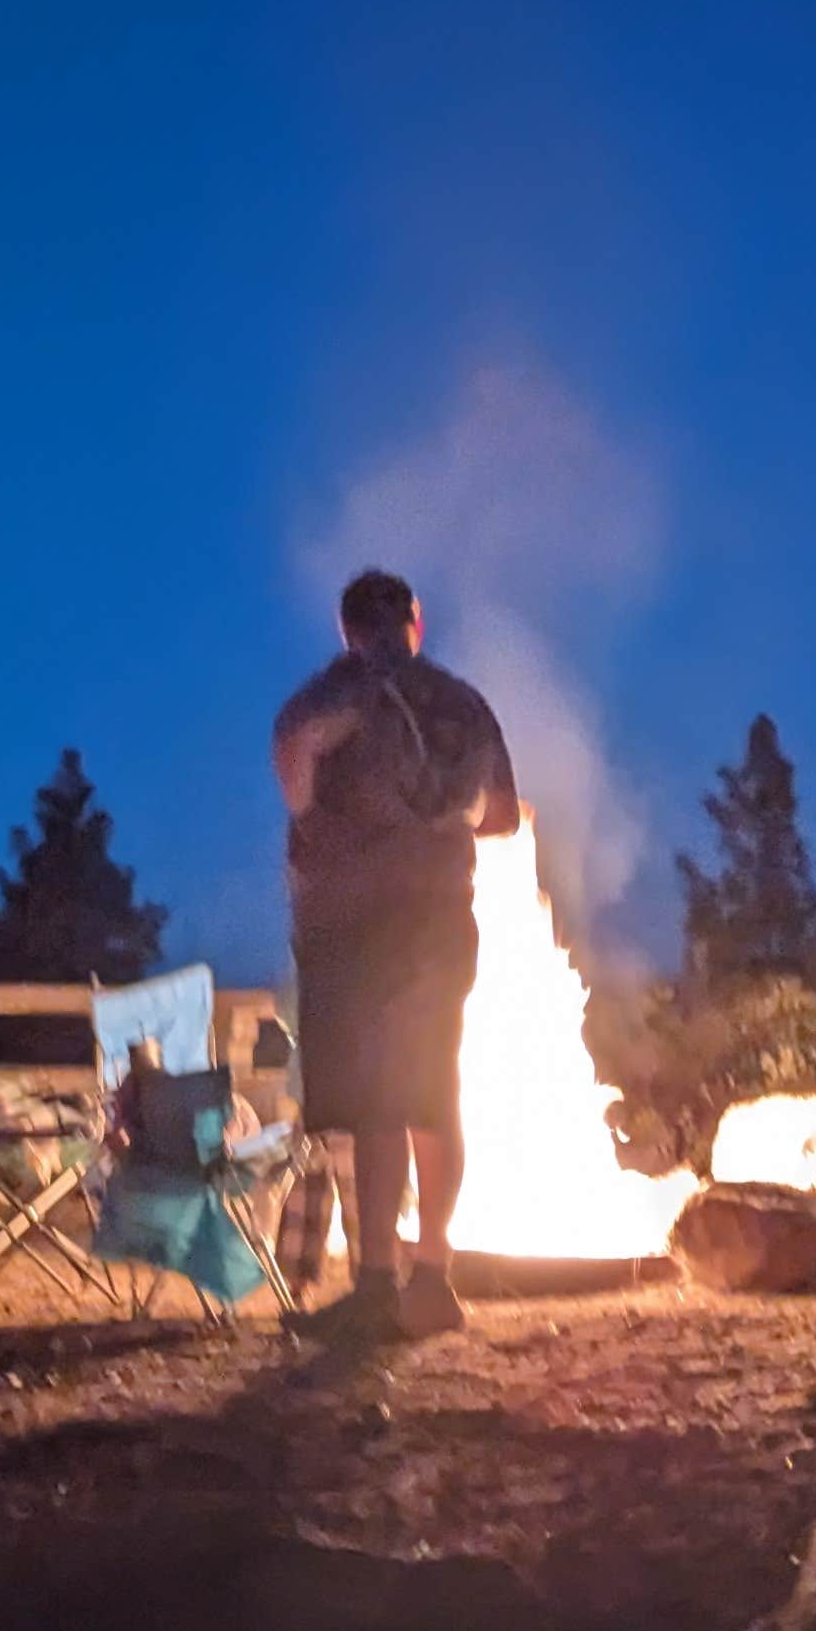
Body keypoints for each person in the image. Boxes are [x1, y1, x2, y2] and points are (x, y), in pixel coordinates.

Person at [272, 566, 519, 1344]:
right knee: (434, 1091)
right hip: (444, 916)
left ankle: (377, 1284)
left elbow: (294, 739)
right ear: (416, 622)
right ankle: (433, 1278)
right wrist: (433, 827)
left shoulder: (341, 689)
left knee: (378, 1099)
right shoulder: (465, 703)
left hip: (359, 921)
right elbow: (504, 816)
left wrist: (312, 810)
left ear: (348, 627)